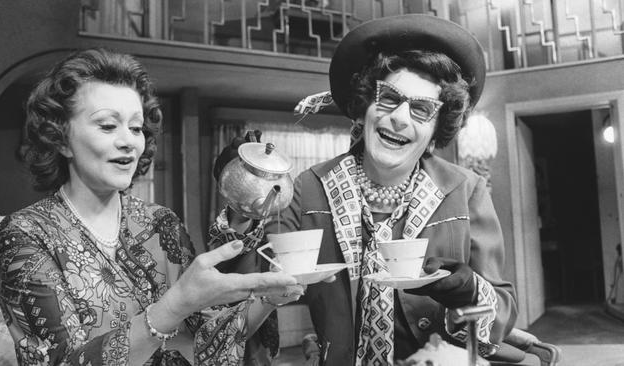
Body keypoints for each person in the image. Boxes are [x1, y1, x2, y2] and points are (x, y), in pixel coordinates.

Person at [211, 14, 518, 365]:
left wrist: (470, 292)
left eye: (421, 109)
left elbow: (501, 314)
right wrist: (244, 197)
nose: (400, 118)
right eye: (389, 98)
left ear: (436, 129)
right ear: (365, 108)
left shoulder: (467, 191)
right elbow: (247, 290)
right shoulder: (309, 188)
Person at [0, 47, 304, 366]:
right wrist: (173, 306)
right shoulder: (26, 234)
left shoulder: (160, 223)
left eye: (136, 127)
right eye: (107, 125)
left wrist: (268, 298)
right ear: (60, 138)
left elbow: (208, 341)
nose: (129, 141)